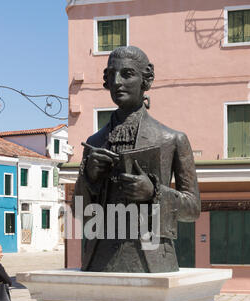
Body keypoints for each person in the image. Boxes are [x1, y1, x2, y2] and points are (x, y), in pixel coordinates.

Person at [74, 45, 200, 273]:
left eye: (127, 73)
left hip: (152, 262)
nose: (117, 82)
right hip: (99, 261)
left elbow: (192, 209)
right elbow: (80, 211)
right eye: (111, 74)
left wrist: (154, 192)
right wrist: (89, 178)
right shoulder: (94, 142)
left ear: (146, 79)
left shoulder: (172, 139)